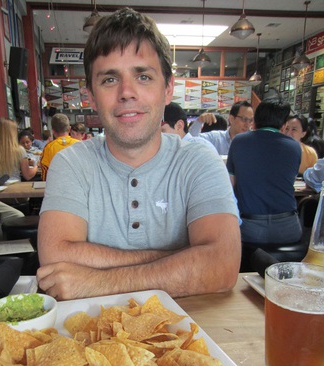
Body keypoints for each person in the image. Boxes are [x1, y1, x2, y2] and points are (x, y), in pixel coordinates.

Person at [36, 7, 241, 301]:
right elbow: (55, 259)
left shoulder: (199, 161)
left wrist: (98, 281)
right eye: (109, 79)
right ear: (91, 96)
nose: (127, 92)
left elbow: (222, 266)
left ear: (167, 89)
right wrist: (182, 259)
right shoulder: (71, 162)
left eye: (143, 76)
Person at [227, 97, 302, 245]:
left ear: (255, 120)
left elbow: (230, 184)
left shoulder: (239, 141)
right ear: (284, 124)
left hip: (250, 228)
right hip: (288, 228)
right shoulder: (294, 147)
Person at [188, 101, 254, 155]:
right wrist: (199, 121)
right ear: (231, 119)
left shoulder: (253, 144)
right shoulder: (215, 139)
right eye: (244, 119)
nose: (247, 124)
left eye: (250, 120)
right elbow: (190, 140)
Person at [39, 113, 79, 181]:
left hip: (57, 187)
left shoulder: (49, 147)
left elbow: (45, 172)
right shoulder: (80, 145)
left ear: (53, 131)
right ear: (69, 129)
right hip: (78, 187)